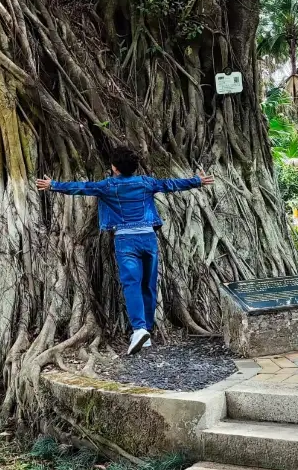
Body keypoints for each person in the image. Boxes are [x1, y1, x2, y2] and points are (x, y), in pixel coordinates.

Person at [37, 146, 214, 355]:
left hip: (126, 240)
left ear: (114, 168)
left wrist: (53, 185)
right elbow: (170, 184)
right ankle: (146, 330)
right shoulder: (146, 182)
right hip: (148, 239)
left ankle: (139, 329)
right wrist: (197, 181)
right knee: (148, 284)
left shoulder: (108, 186)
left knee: (132, 284)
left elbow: (81, 187)